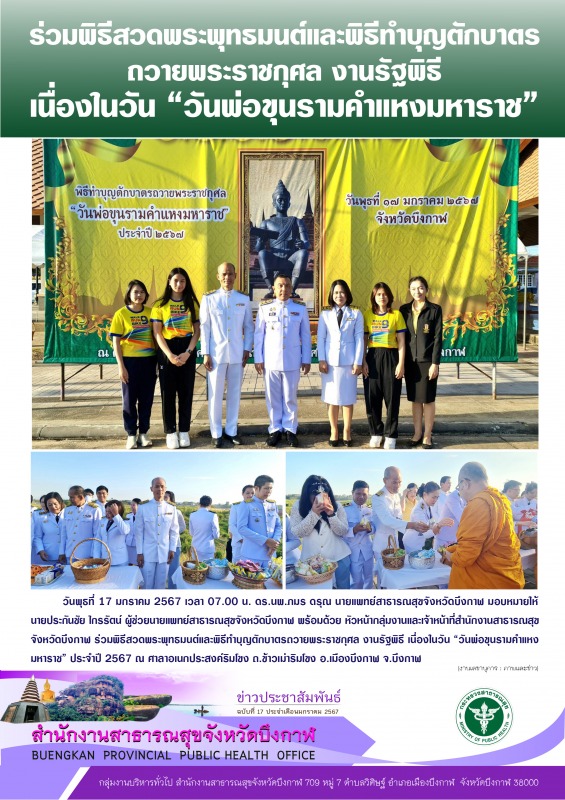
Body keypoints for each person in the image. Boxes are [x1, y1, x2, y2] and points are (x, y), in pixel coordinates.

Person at [440, 462, 525, 589]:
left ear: (465, 483)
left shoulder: (478, 504)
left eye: (459, 488)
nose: (460, 493)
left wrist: (449, 555)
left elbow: (465, 557)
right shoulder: (501, 499)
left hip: (487, 584)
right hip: (508, 575)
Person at [200, 262, 253, 448]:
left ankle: (231, 431)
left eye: (230, 274)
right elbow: (204, 327)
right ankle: (216, 433)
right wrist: (205, 352)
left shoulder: (243, 299)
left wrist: (247, 348)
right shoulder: (209, 299)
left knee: (234, 394)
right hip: (216, 354)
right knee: (215, 395)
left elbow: (248, 326)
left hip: (237, 354)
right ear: (218, 276)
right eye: (224, 274)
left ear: (236, 275)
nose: (227, 277)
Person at [254, 274, 311, 447]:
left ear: (291, 288)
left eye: (287, 285)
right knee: (272, 398)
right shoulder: (264, 308)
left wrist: (306, 359)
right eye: (280, 285)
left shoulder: (300, 309)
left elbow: (306, 336)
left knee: (290, 397)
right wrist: (258, 358)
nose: (283, 289)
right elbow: (259, 336)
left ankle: (290, 429)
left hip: (292, 360)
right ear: (273, 287)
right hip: (271, 360)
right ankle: (275, 429)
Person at [151, 267, 200, 449]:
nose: (179, 285)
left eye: (183, 281)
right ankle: (170, 432)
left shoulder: (192, 303)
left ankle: (184, 430)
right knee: (168, 393)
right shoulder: (159, 305)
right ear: (169, 282)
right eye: (176, 281)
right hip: (167, 350)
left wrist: (188, 352)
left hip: (187, 348)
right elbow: (157, 333)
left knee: (186, 392)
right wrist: (170, 355)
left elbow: (197, 331)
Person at [110, 278, 158, 449]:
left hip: (148, 362)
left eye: (142, 292)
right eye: (135, 292)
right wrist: (121, 366)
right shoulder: (121, 314)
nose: (139, 295)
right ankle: (131, 434)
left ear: (146, 295)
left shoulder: (152, 313)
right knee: (129, 401)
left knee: (146, 400)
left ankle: (143, 433)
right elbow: (116, 343)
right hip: (129, 363)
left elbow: (156, 337)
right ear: (129, 295)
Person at [317, 279, 364, 446]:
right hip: (330, 363)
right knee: (332, 398)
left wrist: (358, 362)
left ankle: (347, 430)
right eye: (336, 292)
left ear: (347, 294)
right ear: (332, 294)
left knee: (347, 398)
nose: (339, 296)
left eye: (342, 292)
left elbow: (359, 339)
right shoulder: (325, 314)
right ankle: (334, 430)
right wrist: (321, 359)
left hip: (348, 362)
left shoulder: (356, 314)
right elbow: (321, 338)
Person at [399, 276, 443, 449]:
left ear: (426, 289)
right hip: (410, 361)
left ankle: (427, 435)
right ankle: (417, 433)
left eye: (420, 288)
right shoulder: (404, 310)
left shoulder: (434, 309)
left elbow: (438, 338)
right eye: (413, 288)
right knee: (415, 400)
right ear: (409, 290)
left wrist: (435, 363)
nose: (417, 291)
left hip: (427, 361)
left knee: (428, 399)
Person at [362, 282, 406, 450]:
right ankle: (376, 432)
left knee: (392, 398)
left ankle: (391, 434)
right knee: (372, 398)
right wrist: (363, 361)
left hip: (391, 356)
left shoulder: (396, 315)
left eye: (385, 294)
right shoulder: (367, 315)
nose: (382, 297)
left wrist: (401, 364)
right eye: (379, 294)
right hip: (372, 356)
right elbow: (364, 340)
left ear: (389, 297)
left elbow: (401, 341)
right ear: (374, 296)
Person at [290, 475, 351, 588]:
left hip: (339, 557)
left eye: (324, 494)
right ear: (307, 494)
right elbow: (297, 532)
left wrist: (331, 514)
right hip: (312, 563)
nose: (320, 498)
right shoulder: (298, 506)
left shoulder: (337, 506)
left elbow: (343, 531)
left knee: (343, 590)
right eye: (315, 494)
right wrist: (313, 514)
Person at [255, 179, 310, 298]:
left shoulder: (296, 221)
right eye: (279, 200)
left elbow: (306, 243)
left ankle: (292, 289)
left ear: (289, 203)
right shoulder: (267, 223)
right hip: (275, 258)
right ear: (274, 203)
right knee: (263, 253)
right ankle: (271, 289)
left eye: (285, 200)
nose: (282, 202)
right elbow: (258, 248)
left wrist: (302, 244)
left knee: (303, 253)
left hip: (291, 258)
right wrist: (261, 239)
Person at [371, 467, 428, 559]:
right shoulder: (378, 498)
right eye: (394, 482)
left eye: (400, 482)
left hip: (395, 543)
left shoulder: (396, 496)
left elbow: (399, 516)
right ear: (385, 480)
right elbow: (387, 520)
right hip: (382, 545)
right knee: (384, 572)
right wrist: (412, 525)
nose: (397, 485)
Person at [135, 477, 179, 589]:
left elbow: (174, 530)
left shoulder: (171, 508)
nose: (159, 489)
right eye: (157, 486)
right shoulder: (143, 507)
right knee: (147, 583)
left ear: (165, 489)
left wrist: (172, 549)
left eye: (162, 486)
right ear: (151, 488)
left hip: (165, 553)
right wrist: (139, 552)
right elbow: (138, 532)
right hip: (147, 553)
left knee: (161, 583)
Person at [236, 474, 282, 569]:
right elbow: (241, 528)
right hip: (251, 555)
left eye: (271, 488)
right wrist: (265, 541)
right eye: (266, 488)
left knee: (270, 583)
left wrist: (275, 543)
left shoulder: (272, 504)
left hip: (270, 555)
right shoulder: (246, 505)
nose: (269, 492)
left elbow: (278, 526)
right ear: (257, 488)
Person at [403, 481, 454, 554]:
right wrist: (439, 525)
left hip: (419, 541)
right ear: (425, 495)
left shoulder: (427, 506)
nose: (436, 500)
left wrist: (437, 526)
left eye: (437, 497)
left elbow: (431, 523)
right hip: (413, 542)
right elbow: (426, 533)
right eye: (433, 497)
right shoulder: (418, 510)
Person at [344, 480, 375, 589]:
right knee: (356, 581)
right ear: (352, 493)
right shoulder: (344, 510)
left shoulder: (370, 510)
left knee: (369, 578)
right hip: (353, 551)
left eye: (364, 494)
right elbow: (340, 531)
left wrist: (370, 529)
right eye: (358, 493)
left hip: (367, 550)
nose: (361, 496)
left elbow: (375, 528)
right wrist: (354, 530)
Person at [61, 485, 102, 562]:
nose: (70, 499)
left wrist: (95, 555)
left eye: (72, 497)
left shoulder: (94, 509)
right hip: (69, 552)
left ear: (80, 497)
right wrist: (61, 552)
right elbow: (64, 533)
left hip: (86, 554)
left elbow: (97, 534)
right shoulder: (67, 510)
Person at [93, 500, 130, 566]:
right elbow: (97, 540)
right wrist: (96, 558)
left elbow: (124, 531)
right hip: (104, 559)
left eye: (110, 512)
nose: (107, 514)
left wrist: (116, 515)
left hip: (119, 560)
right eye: (106, 511)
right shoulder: (103, 521)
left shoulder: (125, 522)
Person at [33, 491, 65, 564]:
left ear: (60, 503)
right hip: (49, 554)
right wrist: (40, 550)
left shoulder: (69, 516)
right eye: (49, 505)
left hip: (66, 554)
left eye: (55, 504)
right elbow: (37, 537)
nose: (53, 507)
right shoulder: (41, 518)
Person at [165, 490, 186, 589]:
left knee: (173, 572)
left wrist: (173, 532)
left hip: (175, 545)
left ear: (171, 499)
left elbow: (183, 527)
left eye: (166, 497)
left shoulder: (177, 512)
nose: (163, 498)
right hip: (161, 545)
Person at [188, 496, 221, 562]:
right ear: (210, 504)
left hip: (195, 547)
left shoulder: (192, 514)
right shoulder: (213, 515)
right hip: (207, 548)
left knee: (196, 569)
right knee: (208, 569)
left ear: (200, 503)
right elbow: (216, 535)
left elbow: (191, 533)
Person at [228, 485, 254, 564]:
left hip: (253, 542)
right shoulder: (236, 506)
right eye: (247, 493)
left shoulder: (258, 507)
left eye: (253, 493)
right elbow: (232, 525)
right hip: (239, 542)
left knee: (252, 567)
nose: (250, 495)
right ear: (243, 494)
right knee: (237, 566)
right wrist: (242, 539)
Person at [125, 498, 141, 565]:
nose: (131, 507)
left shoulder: (142, 516)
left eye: (133, 505)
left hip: (138, 544)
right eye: (131, 505)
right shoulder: (128, 516)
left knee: (138, 563)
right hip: (129, 543)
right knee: (128, 562)